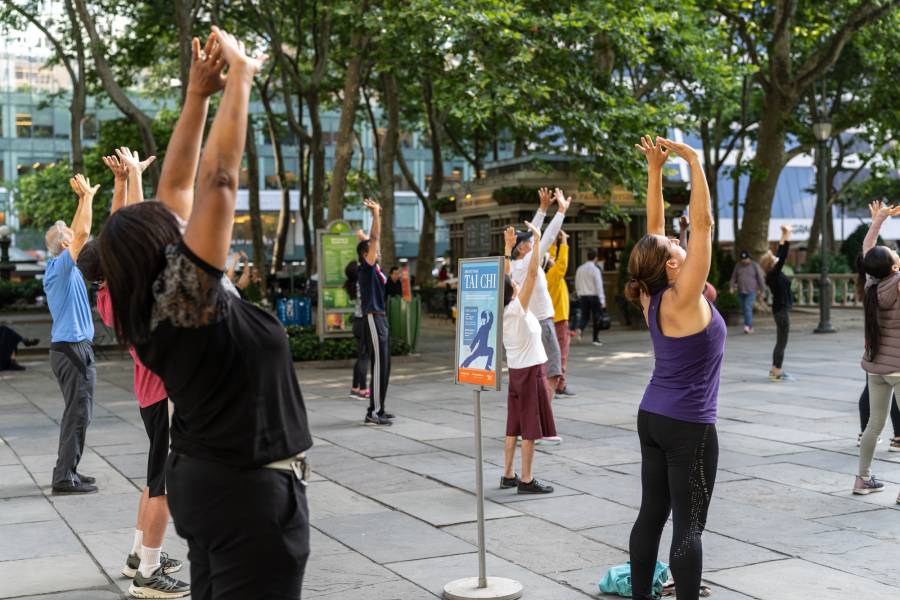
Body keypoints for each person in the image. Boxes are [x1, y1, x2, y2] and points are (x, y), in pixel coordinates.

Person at [99, 28, 312, 598]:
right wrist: (239, 76)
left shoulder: (156, 305)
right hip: (247, 495)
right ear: (162, 247)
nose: (179, 219)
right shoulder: (184, 300)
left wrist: (197, 97)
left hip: (207, 481)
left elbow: (175, 187)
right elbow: (217, 181)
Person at [78, 149, 191, 598]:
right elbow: (141, 238)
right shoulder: (128, 291)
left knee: (152, 478)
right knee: (163, 485)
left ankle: (137, 552)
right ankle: (147, 573)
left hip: (151, 394)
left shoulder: (108, 291)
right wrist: (136, 186)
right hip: (162, 393)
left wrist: (125, 183)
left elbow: (119, 232)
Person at [626, 136, 723, 600]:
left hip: (652, 418)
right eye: (673, 245)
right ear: (671, 263)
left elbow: (654, 229)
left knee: (651, 514)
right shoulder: (685, 294)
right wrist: (693, 162)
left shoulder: (651, 294)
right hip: (689, 426)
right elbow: (702, 223)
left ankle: (642, 596)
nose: (680, 243)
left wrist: (654, 171)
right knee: (689, 526)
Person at [44, 173, 99, 495]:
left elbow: (82, 233)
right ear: (66, 245)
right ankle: (64, 478)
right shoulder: (62, 267)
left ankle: (70, 470)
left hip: (72, 347)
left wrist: (82, 201)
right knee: (77, 413)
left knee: (79, 413)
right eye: (73, 240)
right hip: (71, 348)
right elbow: (84, 232)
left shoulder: (66, 269)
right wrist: (86, 198)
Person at [509, 187, 568, 445]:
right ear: (522, 248)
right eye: (528, 243)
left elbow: (534, 236)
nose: (532, 244)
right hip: (542, 323)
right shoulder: (529, 260)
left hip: (530, 324)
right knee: (553, 373)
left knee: (535, 375)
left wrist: (543, 209)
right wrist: (561, 212)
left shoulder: (516, 265)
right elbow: (545, 236)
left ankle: (530, 424)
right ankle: (540, 424)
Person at [500, 222, 556, 495]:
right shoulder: (516, 309)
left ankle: (508, 473)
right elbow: (533, 274)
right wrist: (536, 241)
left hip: (515, 372)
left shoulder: (503, 309)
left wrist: (508, 250)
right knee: (530, 429)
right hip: (530, 371)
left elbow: (506, 277)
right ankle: (526, 479)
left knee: (513, 425)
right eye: (512, 284)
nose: (515, 283)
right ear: (511, 291)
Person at [856, 200, 900, 502]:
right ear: (894, 266)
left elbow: (868, 249)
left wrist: (879, 220)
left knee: (874, 424)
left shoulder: (872, 283)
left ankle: (862, 478)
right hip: (898, 366)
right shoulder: (897, 283)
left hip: (877, 368)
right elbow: (872, 251)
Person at [358, 198, 394, 425]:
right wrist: (376, 214)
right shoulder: (366, 268)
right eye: (373, 250)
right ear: (366, 254)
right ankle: (374, 412)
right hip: (373, 318)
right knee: (379, 366)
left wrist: (362, 238)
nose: (378, 251)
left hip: (381, 319)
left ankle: (378, 407)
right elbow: (375, 239)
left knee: (385, 366)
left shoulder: (373, 268)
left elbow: (370, 242)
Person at [760, 225, 794, 381]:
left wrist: (784, 234)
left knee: (782, 341)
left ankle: (775, 369)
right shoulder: (774, 274)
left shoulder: (773, 273)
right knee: (782, 342)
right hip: (781, 311)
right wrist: (787, 237)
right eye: (773, 258)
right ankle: (776, 371)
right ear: (772, 264)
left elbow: (780, 253)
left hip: (780, 310)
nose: (776, 257)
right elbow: (784, 254)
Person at [546, 230, 575, 396]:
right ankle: (560, 384)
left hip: (549, 318)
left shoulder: (544, 274)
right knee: (561, 353)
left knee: (550, 353)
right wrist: (563, 240)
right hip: (559, 319)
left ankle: (551, 382)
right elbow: (562, 262)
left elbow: (551, 256)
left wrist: (553, 241)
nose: (552, 258)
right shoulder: (554, 275)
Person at [345, 258, 370, 400]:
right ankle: (363, 389)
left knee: (361, 356)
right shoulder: (362, 284)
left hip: (357, 323)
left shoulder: (353, 284)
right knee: (365, 357)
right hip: (364, 322)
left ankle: (355, 388)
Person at [575, 249, 606, 346]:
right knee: (596, 317)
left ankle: (580, 328)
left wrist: (579, 294)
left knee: (585, 316)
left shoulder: (580, 269)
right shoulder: (595, 269)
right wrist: (602, 299)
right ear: (595, 258)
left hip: (583, 296)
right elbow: (599, 285)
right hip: (594, 296)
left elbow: (577, 283)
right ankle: (595, 339)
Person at [730, 249, 765, 333]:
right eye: (742, 259)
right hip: (741, 291)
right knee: (744, 309)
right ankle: (749, 325)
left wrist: (762, 290)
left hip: (751, 291)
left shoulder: (754, 266)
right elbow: (733, 277)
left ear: (749, 258)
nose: (744, 260)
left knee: (747, 307)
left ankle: (747, 326)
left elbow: (760, 278)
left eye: (745, 259)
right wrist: (731, 286)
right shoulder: (738, 266)